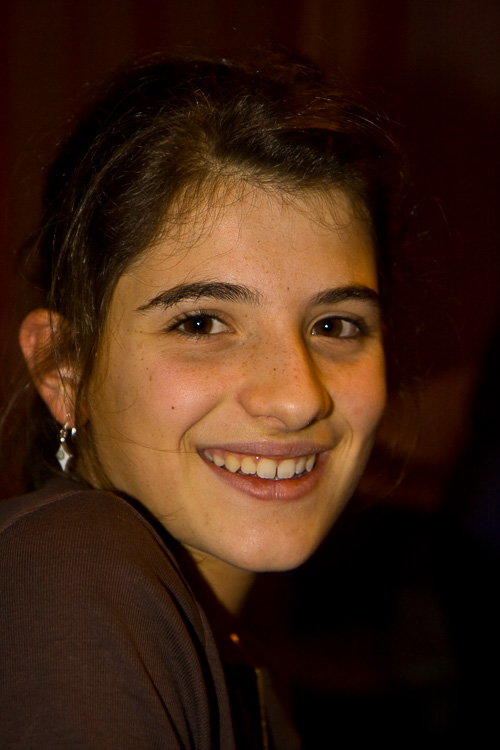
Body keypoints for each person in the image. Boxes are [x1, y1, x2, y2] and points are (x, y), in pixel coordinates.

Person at [0, 54, 402, 748]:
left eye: (336, 326)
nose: (297, 398)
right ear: (64, 369)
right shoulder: (72, 576)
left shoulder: (221, 651)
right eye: (202, 323)